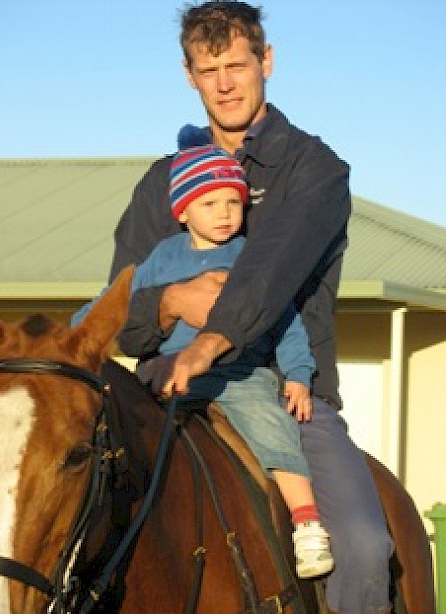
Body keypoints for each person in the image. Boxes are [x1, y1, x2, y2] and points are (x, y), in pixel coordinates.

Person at [107, 2, 394, 612]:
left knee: (366, 547)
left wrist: (211, 340)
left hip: (288, 396)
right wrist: (170, 304)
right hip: (169, 392)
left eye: (238, 64)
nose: (226, 83)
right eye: (209, 70)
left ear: (266, 61)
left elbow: (270, 274)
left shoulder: (315, 171)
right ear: (190, 75)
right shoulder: (162, 184)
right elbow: (125, 315)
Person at [73, 144, 334, 578]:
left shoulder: (249, 258)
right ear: (183, 212)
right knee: (125, 431)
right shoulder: (163, 258)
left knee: (272, 427)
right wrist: (77, 331)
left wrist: (299, 375)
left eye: (234, 201)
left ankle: (306, 523)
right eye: (210, 203)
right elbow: (117, 300)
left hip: (237, 374)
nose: (225, 212)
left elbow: (284, 319)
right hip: (167, 373)